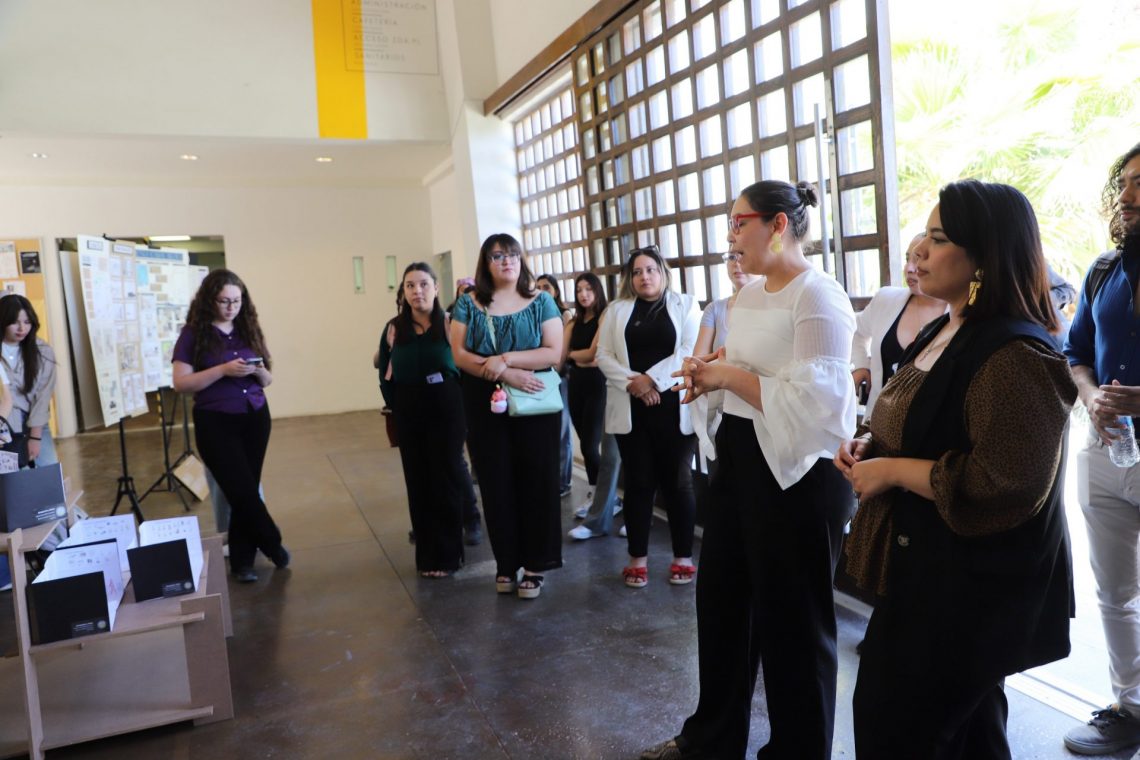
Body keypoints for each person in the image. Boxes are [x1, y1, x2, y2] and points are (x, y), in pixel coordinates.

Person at [835, 180, 1075, 758]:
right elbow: (915, 416)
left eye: (939, 239)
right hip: (925, 573)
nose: (920, 250)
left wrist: (893, 471)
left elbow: (1005, 484)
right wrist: (869, 445)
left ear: (982, 257)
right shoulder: (944, 326)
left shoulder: (1014, 355)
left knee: (895, 727)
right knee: (968, 735)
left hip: (969, 591)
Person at [642, 180, 856, 760]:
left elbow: (819, 403)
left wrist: (728, 376)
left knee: (794, 621)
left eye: (740, 223)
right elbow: (749, 366)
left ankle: (798, 749)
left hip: (796, 473)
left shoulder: (818, 294)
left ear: (778, 224)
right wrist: (710, 369)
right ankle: (712, 737)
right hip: (740, 458)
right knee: (722, 603)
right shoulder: (751, 295)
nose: (731, 236)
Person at [1063, 142, 1140, 756]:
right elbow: (1076, 354)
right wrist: (1089, 396)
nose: (1128, 196)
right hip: (1105, 448)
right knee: (1114, 592)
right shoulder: (1102, 270)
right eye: (1126, 183)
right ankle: (1130, 706)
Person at [449, 234, 563, 599]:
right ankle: (506, 563)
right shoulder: (469, 303)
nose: (506, 261)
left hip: (534, 397)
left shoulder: (541, 300)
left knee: (537, 480)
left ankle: (535, 565)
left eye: (512, 254)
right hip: (484, 399)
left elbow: (553, 352)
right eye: (497, 256)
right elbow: (459, 355)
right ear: (486, 263)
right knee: (496, 481)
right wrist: (504, 374)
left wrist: (507, 361)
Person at [172, 269, 289, 583]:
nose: (231, 307)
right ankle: (272, 541)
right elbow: (181, 383)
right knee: (241, 490)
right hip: (216, 421)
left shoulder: (248, 328)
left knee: (245, 490)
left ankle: (242, 562)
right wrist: (223, 370)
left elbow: (268, 379)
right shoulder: (193, 334)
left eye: (237, 301)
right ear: (210, 299)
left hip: (255, 416)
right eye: (224, 301)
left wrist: (258, 371)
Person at [596, 244, 699, 589]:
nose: (644, 277)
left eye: (651, 269)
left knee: (678, 484)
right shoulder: (616, 310)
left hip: (675, 408)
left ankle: (683, 557)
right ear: (630, 278)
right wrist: (636, 385)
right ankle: (637, 559)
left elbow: (690, 351)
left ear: (663, 272)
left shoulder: (686, 305)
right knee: (638, 484)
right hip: (632, 410)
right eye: (637, 272)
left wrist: (651, 379)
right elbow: (603, 355)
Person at [381, 263, 467, 577]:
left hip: (446, 402)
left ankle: (450, 554)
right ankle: (427, 556)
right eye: (410, 286)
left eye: (423, 284)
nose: (417, 291)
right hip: (408, 405)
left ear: (435, 288)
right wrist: (395, 405)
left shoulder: (450, 323)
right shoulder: (394, 328)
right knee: (417, 479)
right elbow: (384, 372)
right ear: (403, 292)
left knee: (446, 476)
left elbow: (465, 366)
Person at [850, 235, 947, 416]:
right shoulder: (886, 300)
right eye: (907, 259)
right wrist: (861, 364)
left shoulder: (959, 315)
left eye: (918, 259)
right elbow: (856, 331)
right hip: (877, 423)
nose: (909, 268)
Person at [562, 273, 609, 515]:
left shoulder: (605, 316)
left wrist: (573, 354)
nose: (583, 294)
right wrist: (575, 357)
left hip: (598, 385)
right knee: (585, 443)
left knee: (590, 446)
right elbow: (561, 357)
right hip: (576, 384)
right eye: (579, 290)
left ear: (597, 291)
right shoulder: (572, 323)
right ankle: (599, 494)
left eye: (589, 289)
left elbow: (593, 355)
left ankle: (601, 497)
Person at [0, 294, 59, 466]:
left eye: (27, 322)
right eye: (14, 322)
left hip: (36, 423)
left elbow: (43, 397)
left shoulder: (43, 351)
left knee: (48, 473)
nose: (22, 328)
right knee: (14, 478)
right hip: (5, 426)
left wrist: (35, 437)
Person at [537, 273, 575, 498]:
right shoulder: (535, 311)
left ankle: (563, 480)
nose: (542, 291)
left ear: (556, 291)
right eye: (538, 287)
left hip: (560, 375)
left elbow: (565, 348)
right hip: (541, 375)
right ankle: (550, 478)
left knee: (562, 430)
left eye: (546, 287)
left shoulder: (564, 314)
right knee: (547, 430)